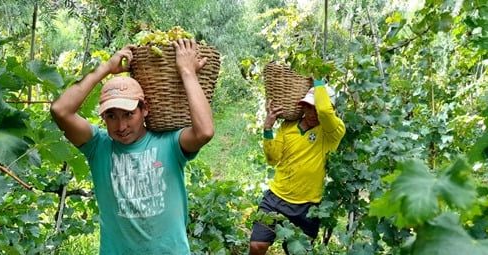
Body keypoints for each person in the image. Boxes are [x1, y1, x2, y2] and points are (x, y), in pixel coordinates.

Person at [50, 39, 213, 254]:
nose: (121, 126)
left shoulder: (169, 143)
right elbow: (60, 110)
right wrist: (107, 68)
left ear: (144, 109)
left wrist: (187, 72)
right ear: (104, 117)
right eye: (111, 116)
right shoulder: (98, 147)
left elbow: (205, 132)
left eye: (129, 114)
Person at [249, 80, 345, 255]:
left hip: (308, 207)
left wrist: (317, 80)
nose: (313, 112)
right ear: (303, 107)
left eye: (317, 108)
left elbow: (324, 110)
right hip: (276, 198)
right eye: (309, 106)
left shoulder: (332, 132)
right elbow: (272, 159)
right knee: (257, 246)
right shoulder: (288, 127)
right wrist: (268, 127)